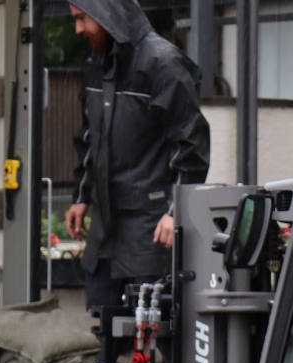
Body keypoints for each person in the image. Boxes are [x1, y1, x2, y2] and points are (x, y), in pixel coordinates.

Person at [65, 0, 211, 309]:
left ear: (107, 15)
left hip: (151, 230)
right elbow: (92, 138)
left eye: (82, 19)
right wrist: (82, 196)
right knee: (104, 325)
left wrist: (176, 212)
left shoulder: (162, 63)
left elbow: (191, 144)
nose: (77, 30)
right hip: (106, 232)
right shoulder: (97, 61)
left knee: (154, 331)